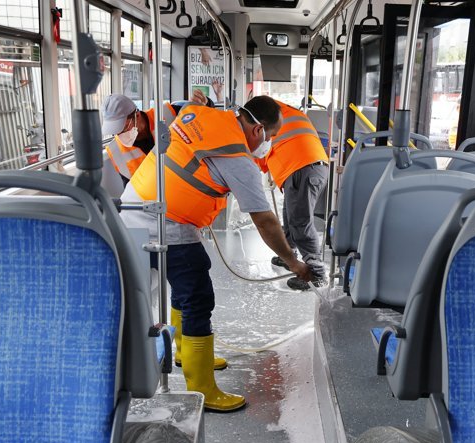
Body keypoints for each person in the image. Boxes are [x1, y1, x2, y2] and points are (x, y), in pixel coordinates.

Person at [119, 96, 313, 412]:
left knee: (182, 291)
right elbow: (264, 221)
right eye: (272, 137)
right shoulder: (237, 159)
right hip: (166, 222)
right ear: (258, 130)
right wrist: (293, 262)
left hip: (136, 207)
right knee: (197, 296)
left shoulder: (204, 116)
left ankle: (183, 351)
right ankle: (202, 388)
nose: (270, 144)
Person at [256, 99, 330, 290]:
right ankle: (288, 253)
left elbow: (258, 153)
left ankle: (317, 273)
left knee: (300, 222)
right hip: (308, 166)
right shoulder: (289, 113)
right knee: (290, 214)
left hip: (301, 168)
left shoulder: (267, 121)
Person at [101, 91, 213, 181]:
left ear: (137, 115)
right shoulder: (116, 152)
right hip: (153, 201)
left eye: (123, 128)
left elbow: (206, 116)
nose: (120, 135)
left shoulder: (169, 114)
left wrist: (205, 103)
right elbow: (131, 189)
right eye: (116, 131)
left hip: (192, 184)